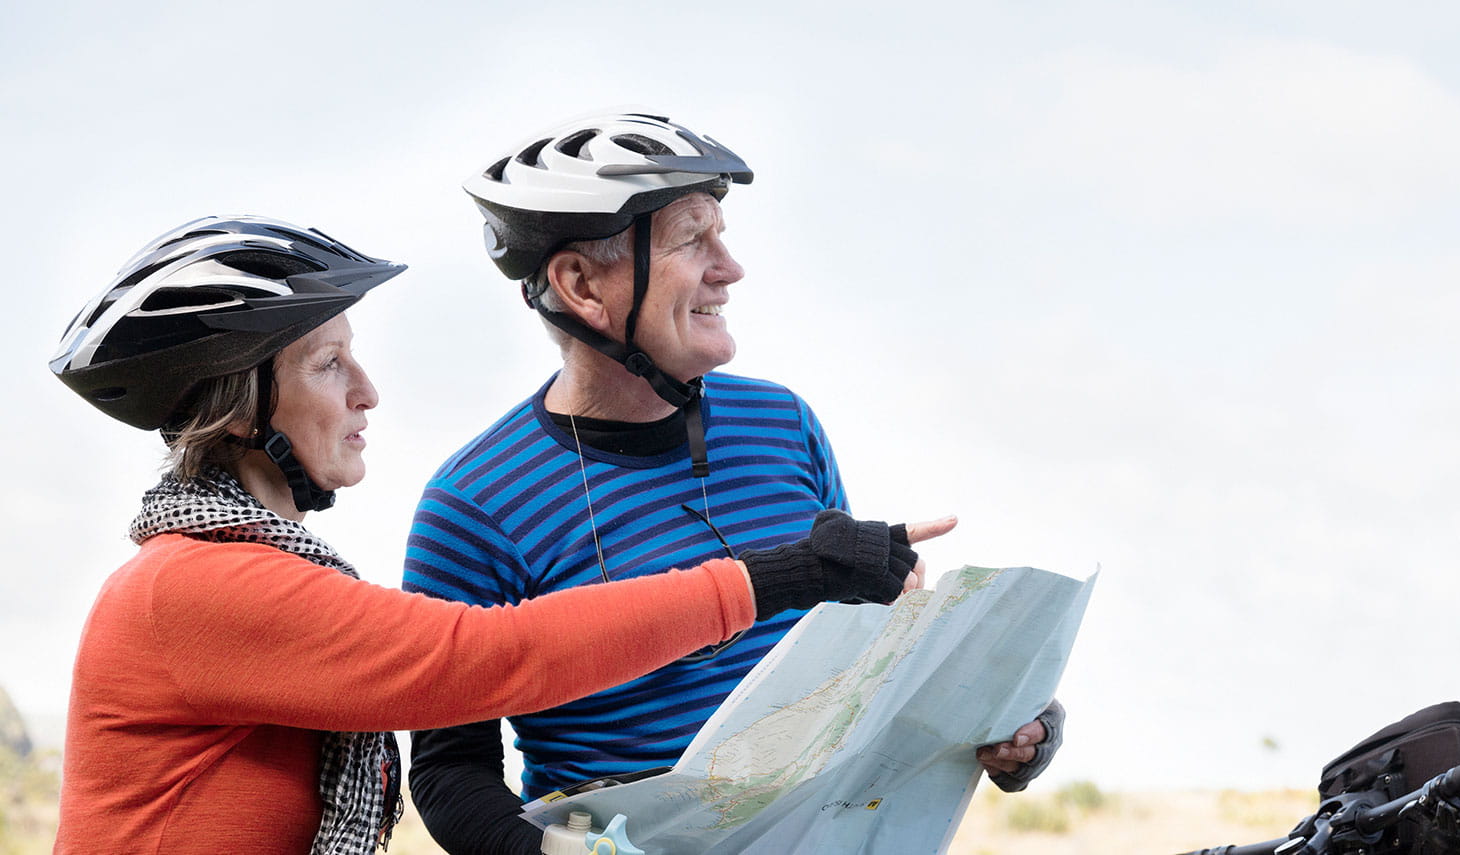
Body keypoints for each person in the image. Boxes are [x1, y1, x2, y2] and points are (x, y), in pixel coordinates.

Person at [47, 215, 940, 855]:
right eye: (328, 364)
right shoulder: (192, 586)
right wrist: (774, 576)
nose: (366, 391)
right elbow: (489, 657)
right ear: (243, 409)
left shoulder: (228, 570)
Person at [402, 110, 1064, 854]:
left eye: (722, 234)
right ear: (582, 284)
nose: (730, 268)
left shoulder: (781, 421)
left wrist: (1001, 716)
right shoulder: (473, 504)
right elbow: (449, 770)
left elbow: (855, 662)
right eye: (693, 239)